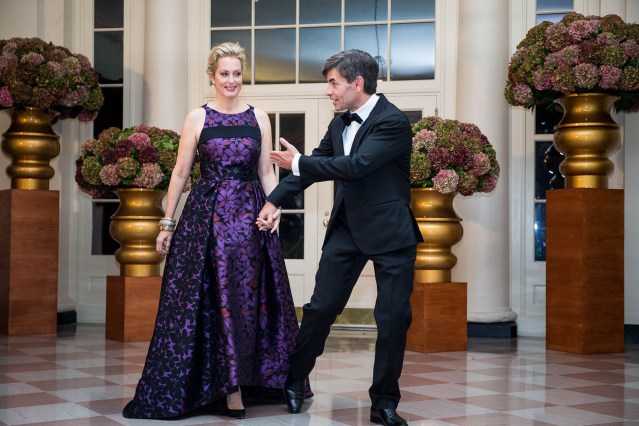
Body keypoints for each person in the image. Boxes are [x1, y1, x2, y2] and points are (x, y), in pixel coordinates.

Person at [122, 42, 307, 420]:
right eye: (224, 74)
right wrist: (167, 222)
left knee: (246, 302)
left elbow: (268, 172)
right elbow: (180, 173)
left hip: (251, 222)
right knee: (206, 302)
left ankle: (248, 382)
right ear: (212, 76)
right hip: (204, 223)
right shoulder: (197, 117)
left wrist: (275, 208)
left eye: (237, 73)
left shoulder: (259, 117)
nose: (231, 80)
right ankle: (227, 389)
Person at [258, 49, 423, 426]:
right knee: (320, 310)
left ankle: (383, 403)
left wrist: (297, 161)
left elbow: (357, 166)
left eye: (333, 83)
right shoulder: (338, 125)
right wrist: (274, 200)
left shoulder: (393, 122)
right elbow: (315, 166)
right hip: (348, 230)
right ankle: (295, 377)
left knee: (393, 319)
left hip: (391, 234)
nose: (328, 91)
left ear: (357, 83)